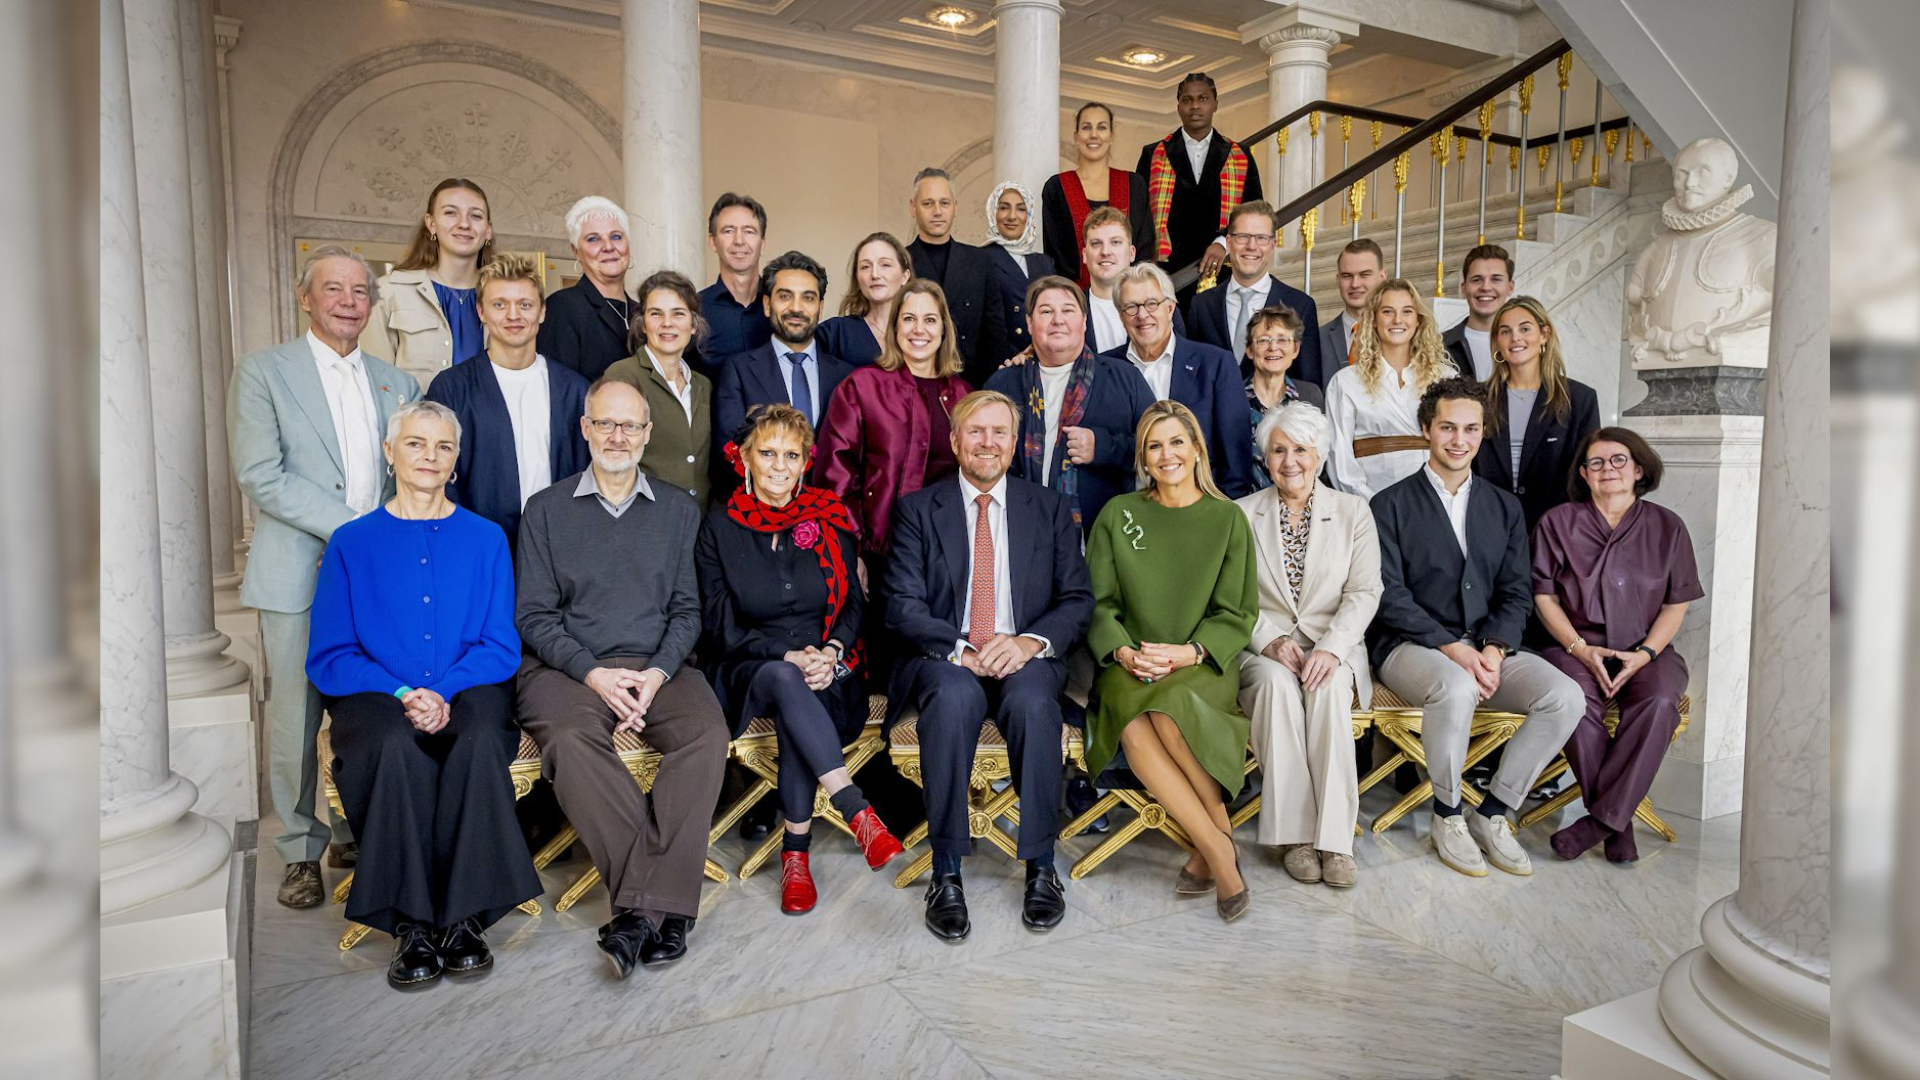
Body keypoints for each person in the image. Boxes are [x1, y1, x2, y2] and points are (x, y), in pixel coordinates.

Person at [305, 400, 540, 991]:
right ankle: (411, 923)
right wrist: (404, 691)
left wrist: (444, 690)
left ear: (456, 460)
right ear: (390, 453)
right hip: (375, 692)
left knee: (482, 736)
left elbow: (499, 643)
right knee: (391, 745)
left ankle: (464, 918)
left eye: (442, 447)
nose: (428, 457)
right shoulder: (351, 543)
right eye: (415, 444)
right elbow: (331, 653)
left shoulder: (486, 539)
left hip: (468, 684)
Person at [514, 378, 730, 978]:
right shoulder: (546, 509)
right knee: (570, 739)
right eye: (605, 424)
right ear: (584, 429)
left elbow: (688, 612)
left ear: (647, 434)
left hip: (658, 663)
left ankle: (637, 912)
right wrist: (593, 674)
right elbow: (533, 614)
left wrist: (658, 673)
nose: (618, 436)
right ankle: (662, 904)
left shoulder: (678, 511)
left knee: (706, 736)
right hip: (568, 668)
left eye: (630, 426)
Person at [229, 246, 419, 909]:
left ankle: (352, 828)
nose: (347, 300)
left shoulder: (399, 383)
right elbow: (260, 473)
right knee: (296, 715)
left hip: (379, 577)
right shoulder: (263, 373)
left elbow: (413, 476)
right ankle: (300, 851)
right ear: (304, 297)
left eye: (359, 291)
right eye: (332, 288)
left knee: (367, 703)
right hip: (300, 569)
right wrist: (351, 530)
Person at [885, 391, 1094, 939]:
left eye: (999, 432)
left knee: (1031, 703)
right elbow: (902, 604)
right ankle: (946, 869)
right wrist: (963, 649)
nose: (988, 443)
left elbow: (1076, 599)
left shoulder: (1046, 507)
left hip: (1025, 655)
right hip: (950, 655)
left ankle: (1041, 865)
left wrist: (1028, 642)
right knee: (952, 700)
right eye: (975, 432)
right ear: (955, 442)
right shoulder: (917, 509)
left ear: (1013, 443)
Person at [1368, 377, 1582, 879]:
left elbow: (1515, 592)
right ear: (1427, 430)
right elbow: (1388, 595)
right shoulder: (1389, 504)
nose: (1458, 439)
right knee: (1457, 685)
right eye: (1447, 428)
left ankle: (1492, 814)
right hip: (1410, 647)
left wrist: (1494, 648)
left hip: (1487, 648)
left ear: (1483, 434)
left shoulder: (1504, 507)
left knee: (1565, 696)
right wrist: (1454, 649)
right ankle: (1446, 815)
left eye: (1470, 429)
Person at [695, 405, 903, 915]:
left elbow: (854, 603)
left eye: (792, 455)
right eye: (768, 454)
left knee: (797, 693)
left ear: (807, 462)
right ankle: (856, 811)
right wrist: (786, 652)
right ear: (744, 458)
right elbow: (720, 625)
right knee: (785, 676)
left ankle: (796, 859)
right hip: (747, 667)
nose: (780, 466)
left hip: (829, 669)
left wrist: (831, 652)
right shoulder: (718, 527)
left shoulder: (827, 516)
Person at [1083, 402, 1258, 920]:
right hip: (1128, 663)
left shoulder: (1227, 518)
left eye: (1177, 442)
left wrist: (1190, 653)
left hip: (1201, 664)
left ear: (1197, 448)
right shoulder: (1119, 514)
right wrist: (1122, 651)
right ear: (1143, 456)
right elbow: (1098, 602)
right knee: (1136, 721)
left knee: (1171, 709)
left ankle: (1211, 851)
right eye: (1154, 445)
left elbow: (1236, 611)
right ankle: (1220, 847)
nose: (1167, 454)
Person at [1532, 429, 1700, 864]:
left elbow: (1675, 603)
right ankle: (1619, 822)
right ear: (1584, 475)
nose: (1608, 469)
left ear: (1639, 469)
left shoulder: (1668, 526)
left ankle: (1599, 823)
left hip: (1649, 650)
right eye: (1597, 463)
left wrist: (1644, 654)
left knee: (1661, 700)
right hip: (1575, 649)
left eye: (1619, 460)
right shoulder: (1557, 522)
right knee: (1572, 699)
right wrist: (1579, 648)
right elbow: (1544, 597)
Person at [1235, 402, 1380, 887]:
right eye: (1279, 450)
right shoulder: (1241, 514)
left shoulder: (1353, 512)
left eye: (1301, 449)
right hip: (1265, 651)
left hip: (1332, 646)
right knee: (1276, 688)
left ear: (1319, 456)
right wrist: (1269, 640)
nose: (1290, 460)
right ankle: (1296, 836)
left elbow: (1365, 591)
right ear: (1265, 458)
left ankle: (1335, 841)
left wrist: (1332, 648)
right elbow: (1230, 598)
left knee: (1328, 689)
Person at [814, 278, 972, 601]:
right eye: (909, 319)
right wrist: (851, 550)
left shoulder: (963, 395)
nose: (919, 330)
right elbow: (835, 475)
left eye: (930, 320)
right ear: (895, 326)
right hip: (879, 555)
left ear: (944, 329)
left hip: (948, 556)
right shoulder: (862, 386)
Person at [426, 253, 590, 552]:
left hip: (560, 550)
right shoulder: (451, 388)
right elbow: (438, 478)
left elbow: (586, 474)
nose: (513, 315)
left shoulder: (574, 390)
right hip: (474, 549)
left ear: (542, 311)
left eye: (525, 305)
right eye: (500, 304)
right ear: (481, 311)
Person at [985, 276, 1154, 535]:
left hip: (1105, 537)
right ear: (1030, 323)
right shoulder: (1003, 385)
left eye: (1067, 310)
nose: (1058, 320)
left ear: (1084, 321)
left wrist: (1104, 447)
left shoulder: (1124, 378)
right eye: (1046, 311)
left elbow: (1157, 448)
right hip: (1018, 535)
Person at [1103, 262, 1256, 497]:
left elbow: (1236, 459)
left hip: (1200, 513)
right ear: (1121, 317)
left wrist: (1225, 514)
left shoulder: (1215, 365)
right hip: (1126, 516)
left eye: (1152, 303)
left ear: (1170, 308)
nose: (1142, 315)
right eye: (1131, 307)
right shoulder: (1103, 369)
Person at [1472, 295, 1601, 532]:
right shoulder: (1477, 398)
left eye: (1525, 328)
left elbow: (1589, 470)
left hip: (1556, 529)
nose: (1515, 338)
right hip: (1488, 526)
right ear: (1497, 341)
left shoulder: (1580, 399)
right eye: (1505, 331)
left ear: (1544, 335)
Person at [1324, 278, 1457, 501]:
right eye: (1387, 311)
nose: (1397, 320)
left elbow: (1457, 442)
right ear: (1374, 319)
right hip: (1370, 503)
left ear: (1418, 320)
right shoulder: (1346, 382)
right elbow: (1339, 456)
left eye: (1407, 312)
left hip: (1437, 499)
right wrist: (1369, 504)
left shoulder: (1446, 377)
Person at [1134, 73, 1262, 304]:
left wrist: (1223, 243)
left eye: (1203, 99)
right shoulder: (1153, 153)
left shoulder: (1240, 155)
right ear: (1178, 106)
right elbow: (1139, 216)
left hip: (1223, 270)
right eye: (1187, 99)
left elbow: (1254, 213)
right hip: (1166, 271)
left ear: (1215, 104)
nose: (1195, 106)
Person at [362, 178, 494, 390]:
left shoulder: (506, 297)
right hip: (414, 421)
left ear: (488, 230)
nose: (464, 224)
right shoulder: (388, 292)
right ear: (431, 223)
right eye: (451, 213)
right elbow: (375, 386)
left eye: (476, 216)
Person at [713, 251, 852, 449]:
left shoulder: (845, 377)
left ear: (820, 309)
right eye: (785, 296)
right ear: (767, 305)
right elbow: (729, 449)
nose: (796, 307)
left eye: (808, 298)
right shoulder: (738, 371)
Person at [603, 271, 713, 508]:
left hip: (698, 523)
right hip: (646, 522)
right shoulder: (623, 376)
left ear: (693, 325)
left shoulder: (703, 385)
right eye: (656, 313)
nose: (667, 323)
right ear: (643, 324)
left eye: (678, 314)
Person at [1189, 201, 1323, 385]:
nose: (1252, 246)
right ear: (1228, 242)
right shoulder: (1201, 305)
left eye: (1261, 238)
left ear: (1273, 245)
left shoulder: (1300, 306)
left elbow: (1308, 385)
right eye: (1243, 236)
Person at [905, 167, 1008, 386]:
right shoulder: (899, 262)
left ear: (955, 207)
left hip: (971, 384)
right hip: (912, 382)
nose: (937, 211)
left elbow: (995, 333)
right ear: (913, 208)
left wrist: (989, 389)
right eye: (927, 203)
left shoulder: (981, 260)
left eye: (944, 203)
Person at [1041, 102, 1154, 288]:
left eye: (1101, 127)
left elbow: (1144, 248)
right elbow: (1055, 254)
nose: (1094, 134)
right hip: (1075, 300)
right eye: (1086, 127)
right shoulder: (1056, 188)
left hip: (1130, 298)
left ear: (1111, 136)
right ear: (1076, 136)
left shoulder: (1135, 184)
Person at [539, 196, 636, 382]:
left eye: (616, 236)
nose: (608, 246)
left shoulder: (643, 311)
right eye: (593, 239)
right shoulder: (563, 307)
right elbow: (559, 389)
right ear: (575, 250)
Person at [1242, 305, 1325, 491]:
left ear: (1295, 349)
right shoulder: (1232, 397)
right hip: (1244, 505)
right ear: (1249, 350)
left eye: (1282, 340)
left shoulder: (1309, 395)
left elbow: (1320, 457)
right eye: (1263, 340)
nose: (1273, 347)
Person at [693, 192, 774, 376]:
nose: (739, 241)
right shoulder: (695, 309)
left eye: (749, 231)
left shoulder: (781, 307)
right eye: (728, 231)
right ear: (712, 242)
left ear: (762, 243)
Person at [981, 181, 1057, 360]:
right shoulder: (980, 258)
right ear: (993, 212)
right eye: (1004, 208)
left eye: (1021, 209)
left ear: (1029, 215)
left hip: (1043, 359)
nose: (1012, 216)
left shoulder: (1045, 263)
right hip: (1002, 362)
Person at [818, 232, 913, 369]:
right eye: (865, 267)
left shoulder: (923, 331)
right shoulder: (835, 333)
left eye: (885, 265)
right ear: (857, 278)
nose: (875, 274)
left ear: (905, 276)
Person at [1442, 245, 1517, 382]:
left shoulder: (1526, 345)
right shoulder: (1440, 348)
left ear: (1510, 287)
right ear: (1463, 289)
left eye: (1496, 279)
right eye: (1477, 280)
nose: (1486, 287)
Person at [1318, 239, 1385, 371]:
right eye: (1347, 276)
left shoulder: (1397, 334)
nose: (1355, 284)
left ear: (1382, 277)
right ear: (1338, 280)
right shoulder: (1318, 339)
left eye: (1364, 275)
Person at [1081, 207, 1138, 354]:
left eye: (1116, 242)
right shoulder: (1068, 310)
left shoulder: (1159, 307)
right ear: (1085, 255)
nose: (1105, 251)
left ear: (1131, 253)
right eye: (1096, 243)